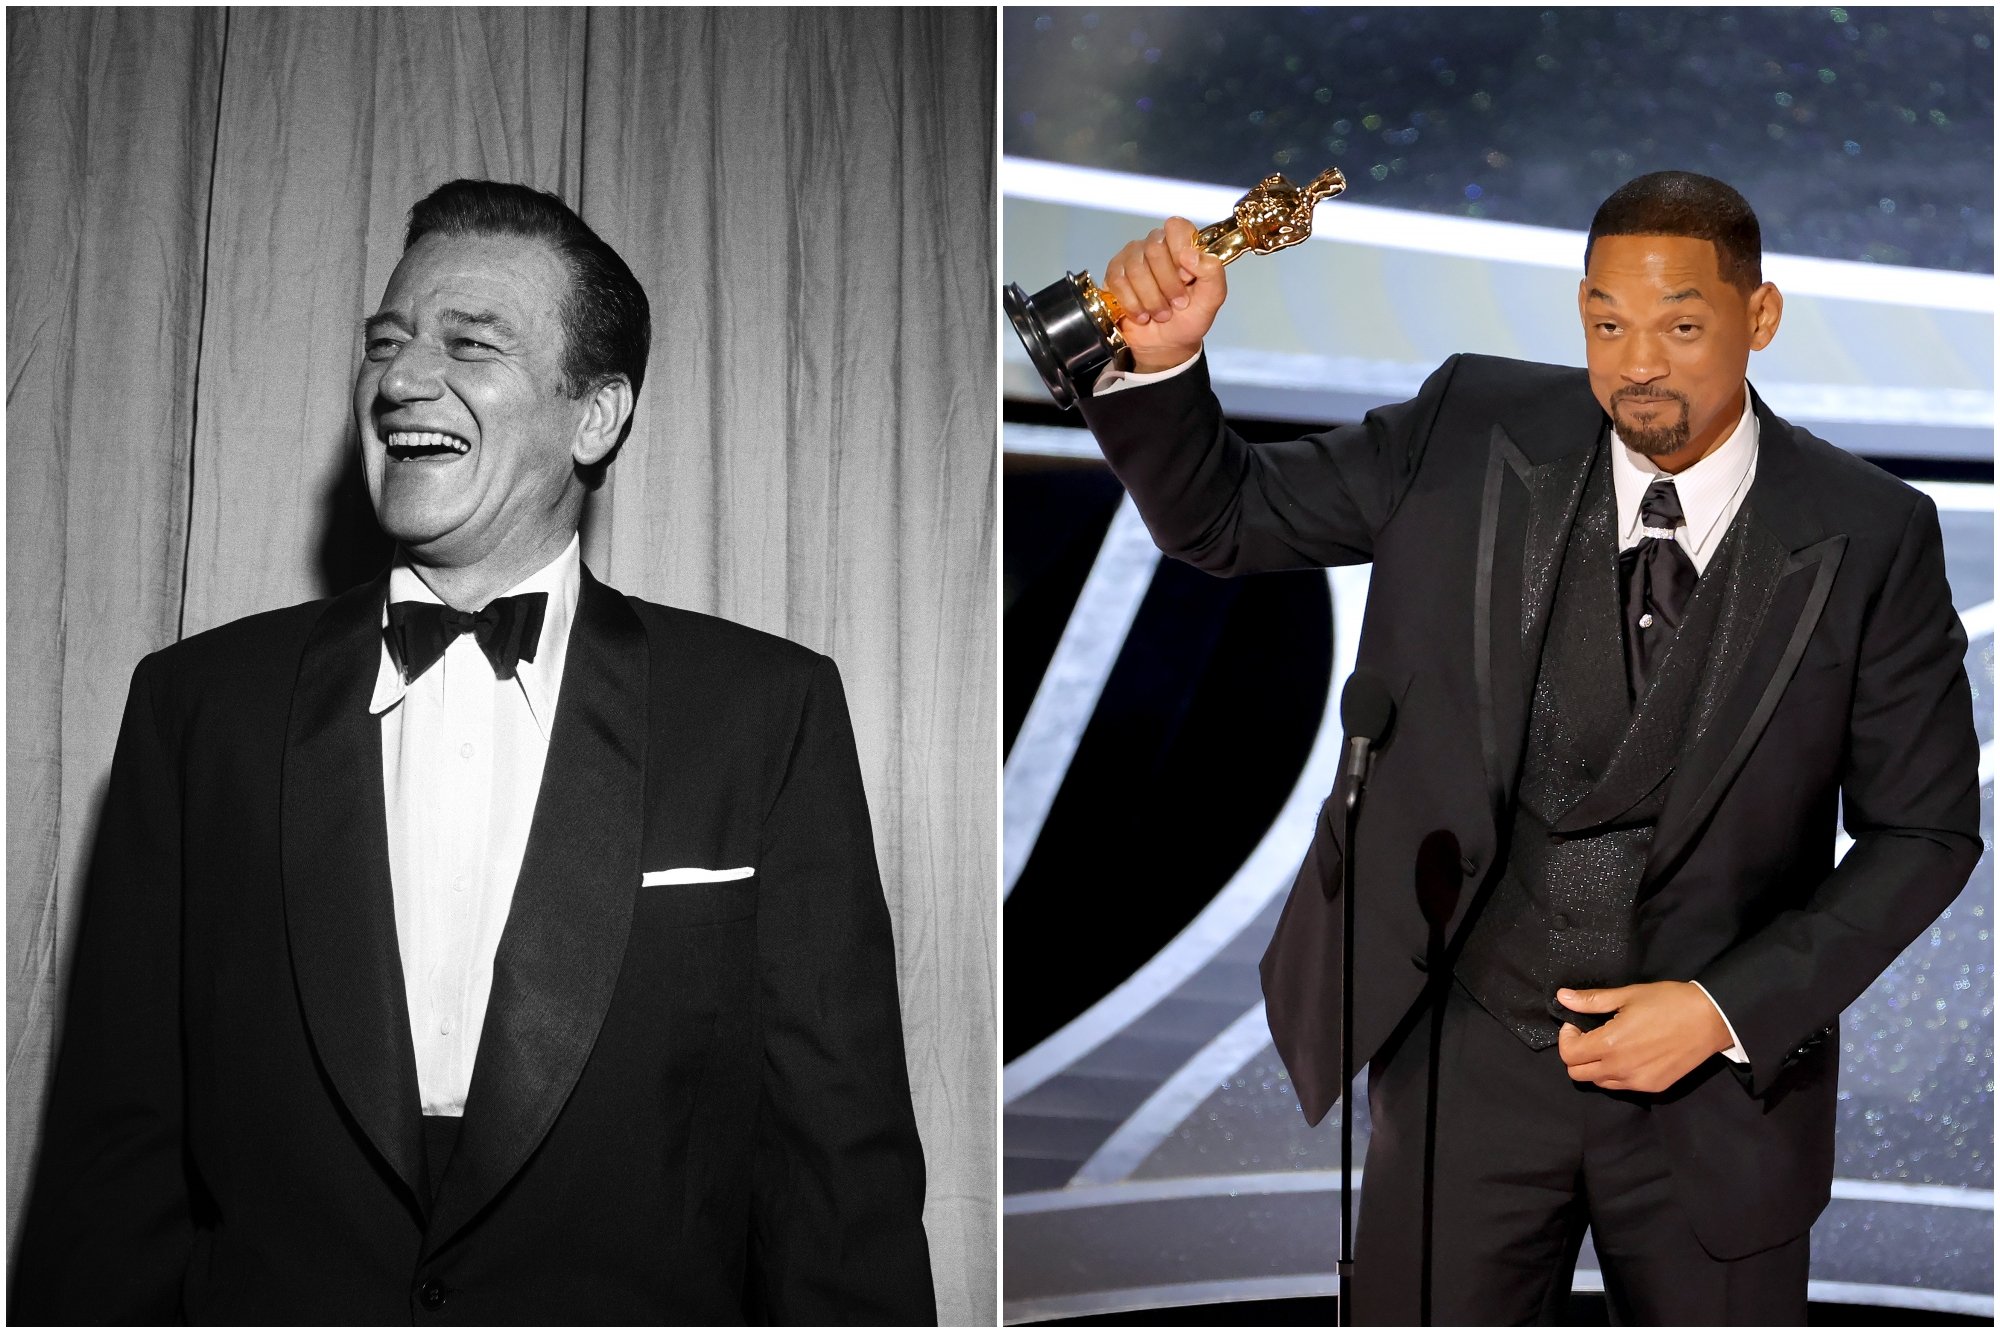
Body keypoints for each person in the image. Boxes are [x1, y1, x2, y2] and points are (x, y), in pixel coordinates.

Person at [14, 179, 937, 1325]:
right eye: (386, 343)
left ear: (594, 416)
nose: (400, 380)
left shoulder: (763, 710)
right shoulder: (198, 706)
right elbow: (116, 1159)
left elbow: (836, 1176)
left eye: (469, 343)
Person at [1071, 171, 1979, 1324]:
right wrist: (1161, 365)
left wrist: (1718, 1007)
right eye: (1605, 320)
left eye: (1679, 323)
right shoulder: (1466, 429)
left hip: (1716, 1096)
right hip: (1465, 1065)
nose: (1635, 360)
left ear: (1759, 318)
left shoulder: (1868, 531)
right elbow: (1224, 515)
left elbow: (1926, 831)